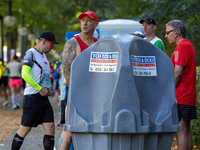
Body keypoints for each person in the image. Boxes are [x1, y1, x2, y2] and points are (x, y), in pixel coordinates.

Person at [11, 31, 60, 150]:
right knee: (25, 129)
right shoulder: (31, 53)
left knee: (50, 127)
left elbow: (44, 78)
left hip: (43, 98)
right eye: (51, 44)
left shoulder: (44, 57)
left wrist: (48, 89)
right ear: (44, 41)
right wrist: (39, 89)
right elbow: (24, 74)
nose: (52, 47)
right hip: (32, 97)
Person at [59, 10, 99, 150]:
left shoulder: (99, 44)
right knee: (69, 131)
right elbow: (66, 69)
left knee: (94, 130)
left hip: (96, 96)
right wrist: (75, 92)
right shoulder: (73, 43)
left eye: (88, 20)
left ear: (96, 24)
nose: (85, 23)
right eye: (82, 20)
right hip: (76, 95)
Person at [165, 20, 197, 150]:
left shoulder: (181, 47)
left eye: (167, 32)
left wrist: (169, 91)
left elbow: (178, 72)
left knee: (180, 130)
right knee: (186, 129)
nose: (166, 36)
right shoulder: (188, 45)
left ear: (176, 33)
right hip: (189, 95)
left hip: (181, 95)